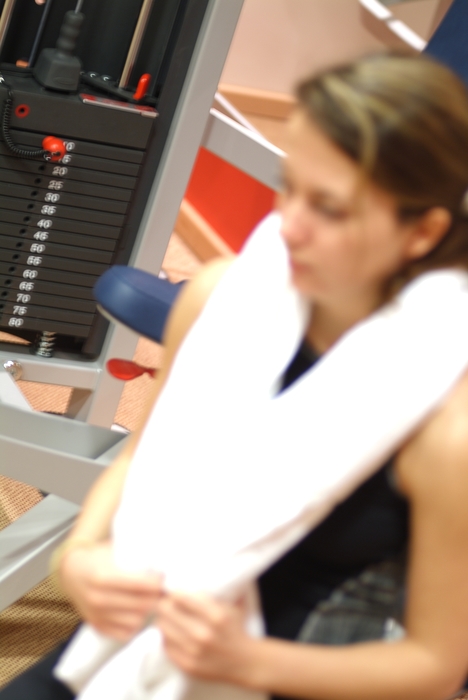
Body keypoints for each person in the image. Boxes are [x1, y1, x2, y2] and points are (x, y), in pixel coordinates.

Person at [3, 51, 468, 700]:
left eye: (330, 209)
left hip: (280, 678)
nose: (289, 228)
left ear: (422, 232)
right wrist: (79, 557)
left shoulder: (446, 426)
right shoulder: (223, 297)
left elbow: (435, 667)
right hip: (132, 652)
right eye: (290, 189)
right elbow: (144, 458)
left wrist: (247, 663)